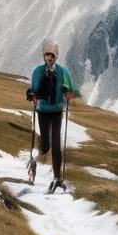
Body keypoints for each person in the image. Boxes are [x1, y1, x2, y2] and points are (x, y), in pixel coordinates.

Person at [25, 40, 79, 193]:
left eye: (52, 55)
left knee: (56, 143)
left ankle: (57, 178)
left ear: (56, 57)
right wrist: (32, 95)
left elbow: (73, 90)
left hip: (56, 111)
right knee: (46, 144)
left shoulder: (63, 72)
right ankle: (36, 161)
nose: (50, 58)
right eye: (47, 55)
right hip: (42, 111)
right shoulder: (38, 71)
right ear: (44, 56)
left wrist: (70, 93)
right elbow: (33, 89)